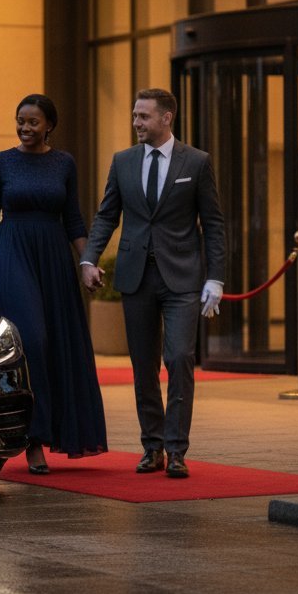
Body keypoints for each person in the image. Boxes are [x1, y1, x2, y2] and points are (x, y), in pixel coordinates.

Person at [80, 87, 226, 479]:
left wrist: (215, 277)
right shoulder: (123, 161)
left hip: (183, 278)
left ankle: (178, 450)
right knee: (143, 365)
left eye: (143, 117)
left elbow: (213, 224)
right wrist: (89, 258)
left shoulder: (196, 162)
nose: (136, 124)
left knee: (178, 358)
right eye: (134, 116)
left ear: (167, 118)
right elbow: (106, 214)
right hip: (135, 277)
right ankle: (153, 446)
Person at [0, 94, 108, 474]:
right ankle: (33, 438)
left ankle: (48, 432)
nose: (25, 128)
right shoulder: (1, 162)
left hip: (54, 258)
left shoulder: (64, 163)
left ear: (49, 126)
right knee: (33, 338)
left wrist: (87, 262)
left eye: (33, 122)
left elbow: (74, 219)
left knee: (58, 342)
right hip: (12, 252)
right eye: (20, 121)